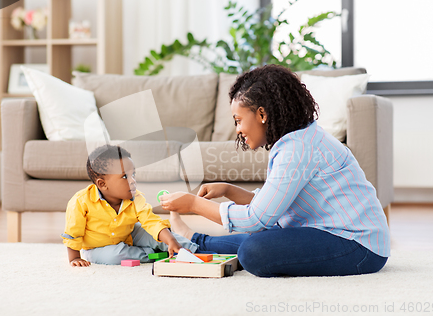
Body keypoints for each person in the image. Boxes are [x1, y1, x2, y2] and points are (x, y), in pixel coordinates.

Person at [160, 65, 391, 277]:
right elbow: (269, 208)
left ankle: (194, 240)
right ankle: (192, 240)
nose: (238, 129)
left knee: (254, 250)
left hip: (358, 246)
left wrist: (193, 205)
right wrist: (228, 189)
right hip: (335, 234)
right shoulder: (295, 141)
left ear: (262, 114)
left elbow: (256, 219)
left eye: (239, 120)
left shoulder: (297, 149)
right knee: (264, 237)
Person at [62, 145, 199, 267]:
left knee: (159, 234)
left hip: (129, 233)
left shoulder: (135, 197)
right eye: (124, 177)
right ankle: (153, 253)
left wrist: (170, 240)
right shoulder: (80, 202)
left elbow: (151, 221)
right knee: (115, 256)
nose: (133, 181)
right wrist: (74, 258)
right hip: (97, 247)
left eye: (133, 174)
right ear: (103, 184)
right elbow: (73, 233)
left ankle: (192, 250)